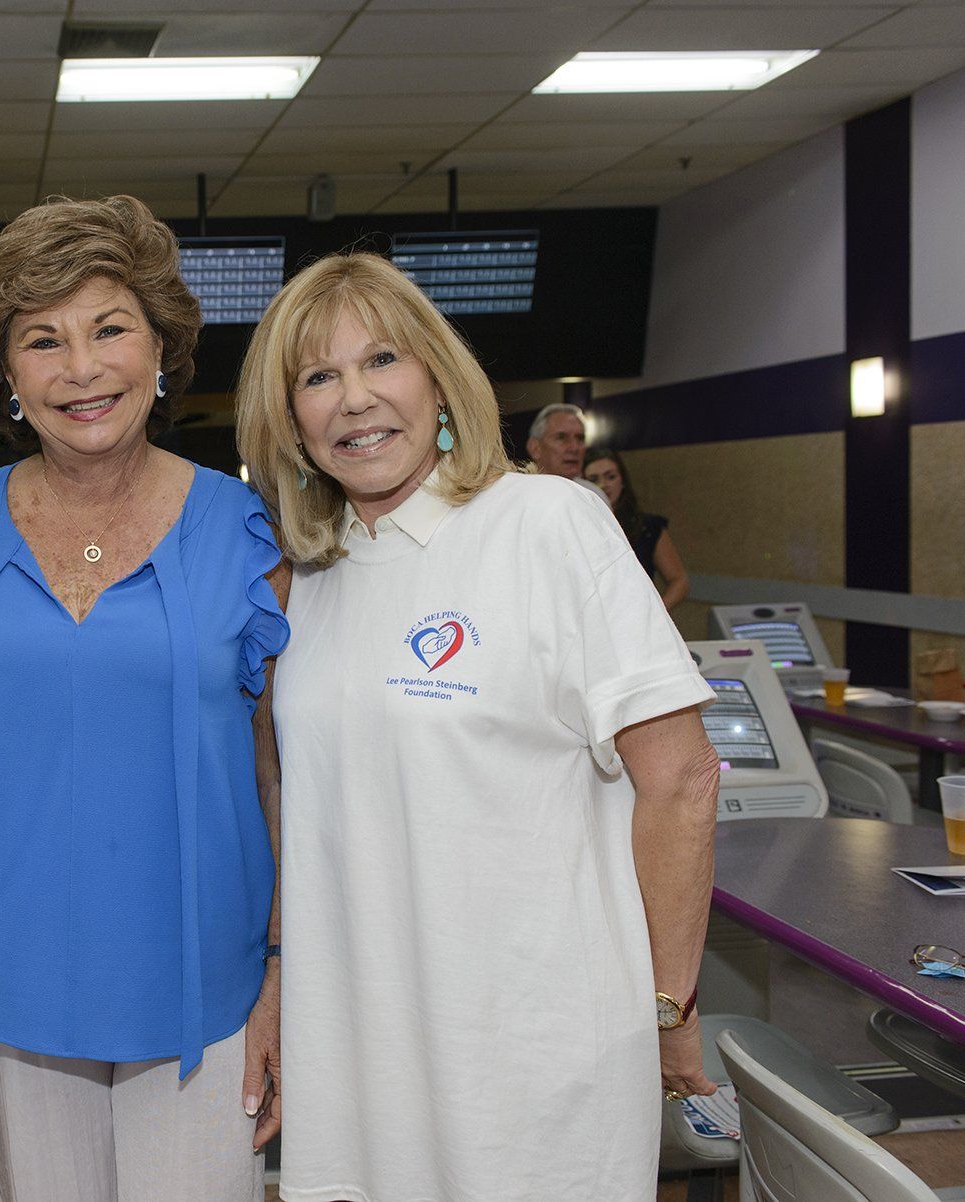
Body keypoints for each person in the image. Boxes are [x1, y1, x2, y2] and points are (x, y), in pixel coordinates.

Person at [235, 252, 720, 1202]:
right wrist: (280, 979)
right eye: (318, 376)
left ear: (439, 379)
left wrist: (668, 1004)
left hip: (530, 1054)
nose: (355, 399)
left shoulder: (549, 522)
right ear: (290, 419)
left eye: (382, 361)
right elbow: (298, 803)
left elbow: (682, 779)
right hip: (359, 1047)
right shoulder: (312, 576)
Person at [0, 194, 288, 1202]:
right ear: (7, 376)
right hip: (10, 986)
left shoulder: (247, 527)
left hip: (207, 985)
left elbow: (279, 767)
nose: (81, 368)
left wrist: (283, 970)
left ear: (162, 349)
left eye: (110, 328)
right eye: (43, 340)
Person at [585, 446, 691, 611]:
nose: (604, 485)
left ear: (622, 480)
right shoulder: (581, 525)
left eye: (610, 477)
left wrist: (655, 613)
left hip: (637, 619)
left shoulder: (647, 526)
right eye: (593, 479)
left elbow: (679, 581)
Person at [526, 400, 589, 479]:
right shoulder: (520, 490)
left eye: (580, 438)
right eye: (561, 438)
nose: (574, 448)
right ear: (535, 448)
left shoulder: (592, 490)